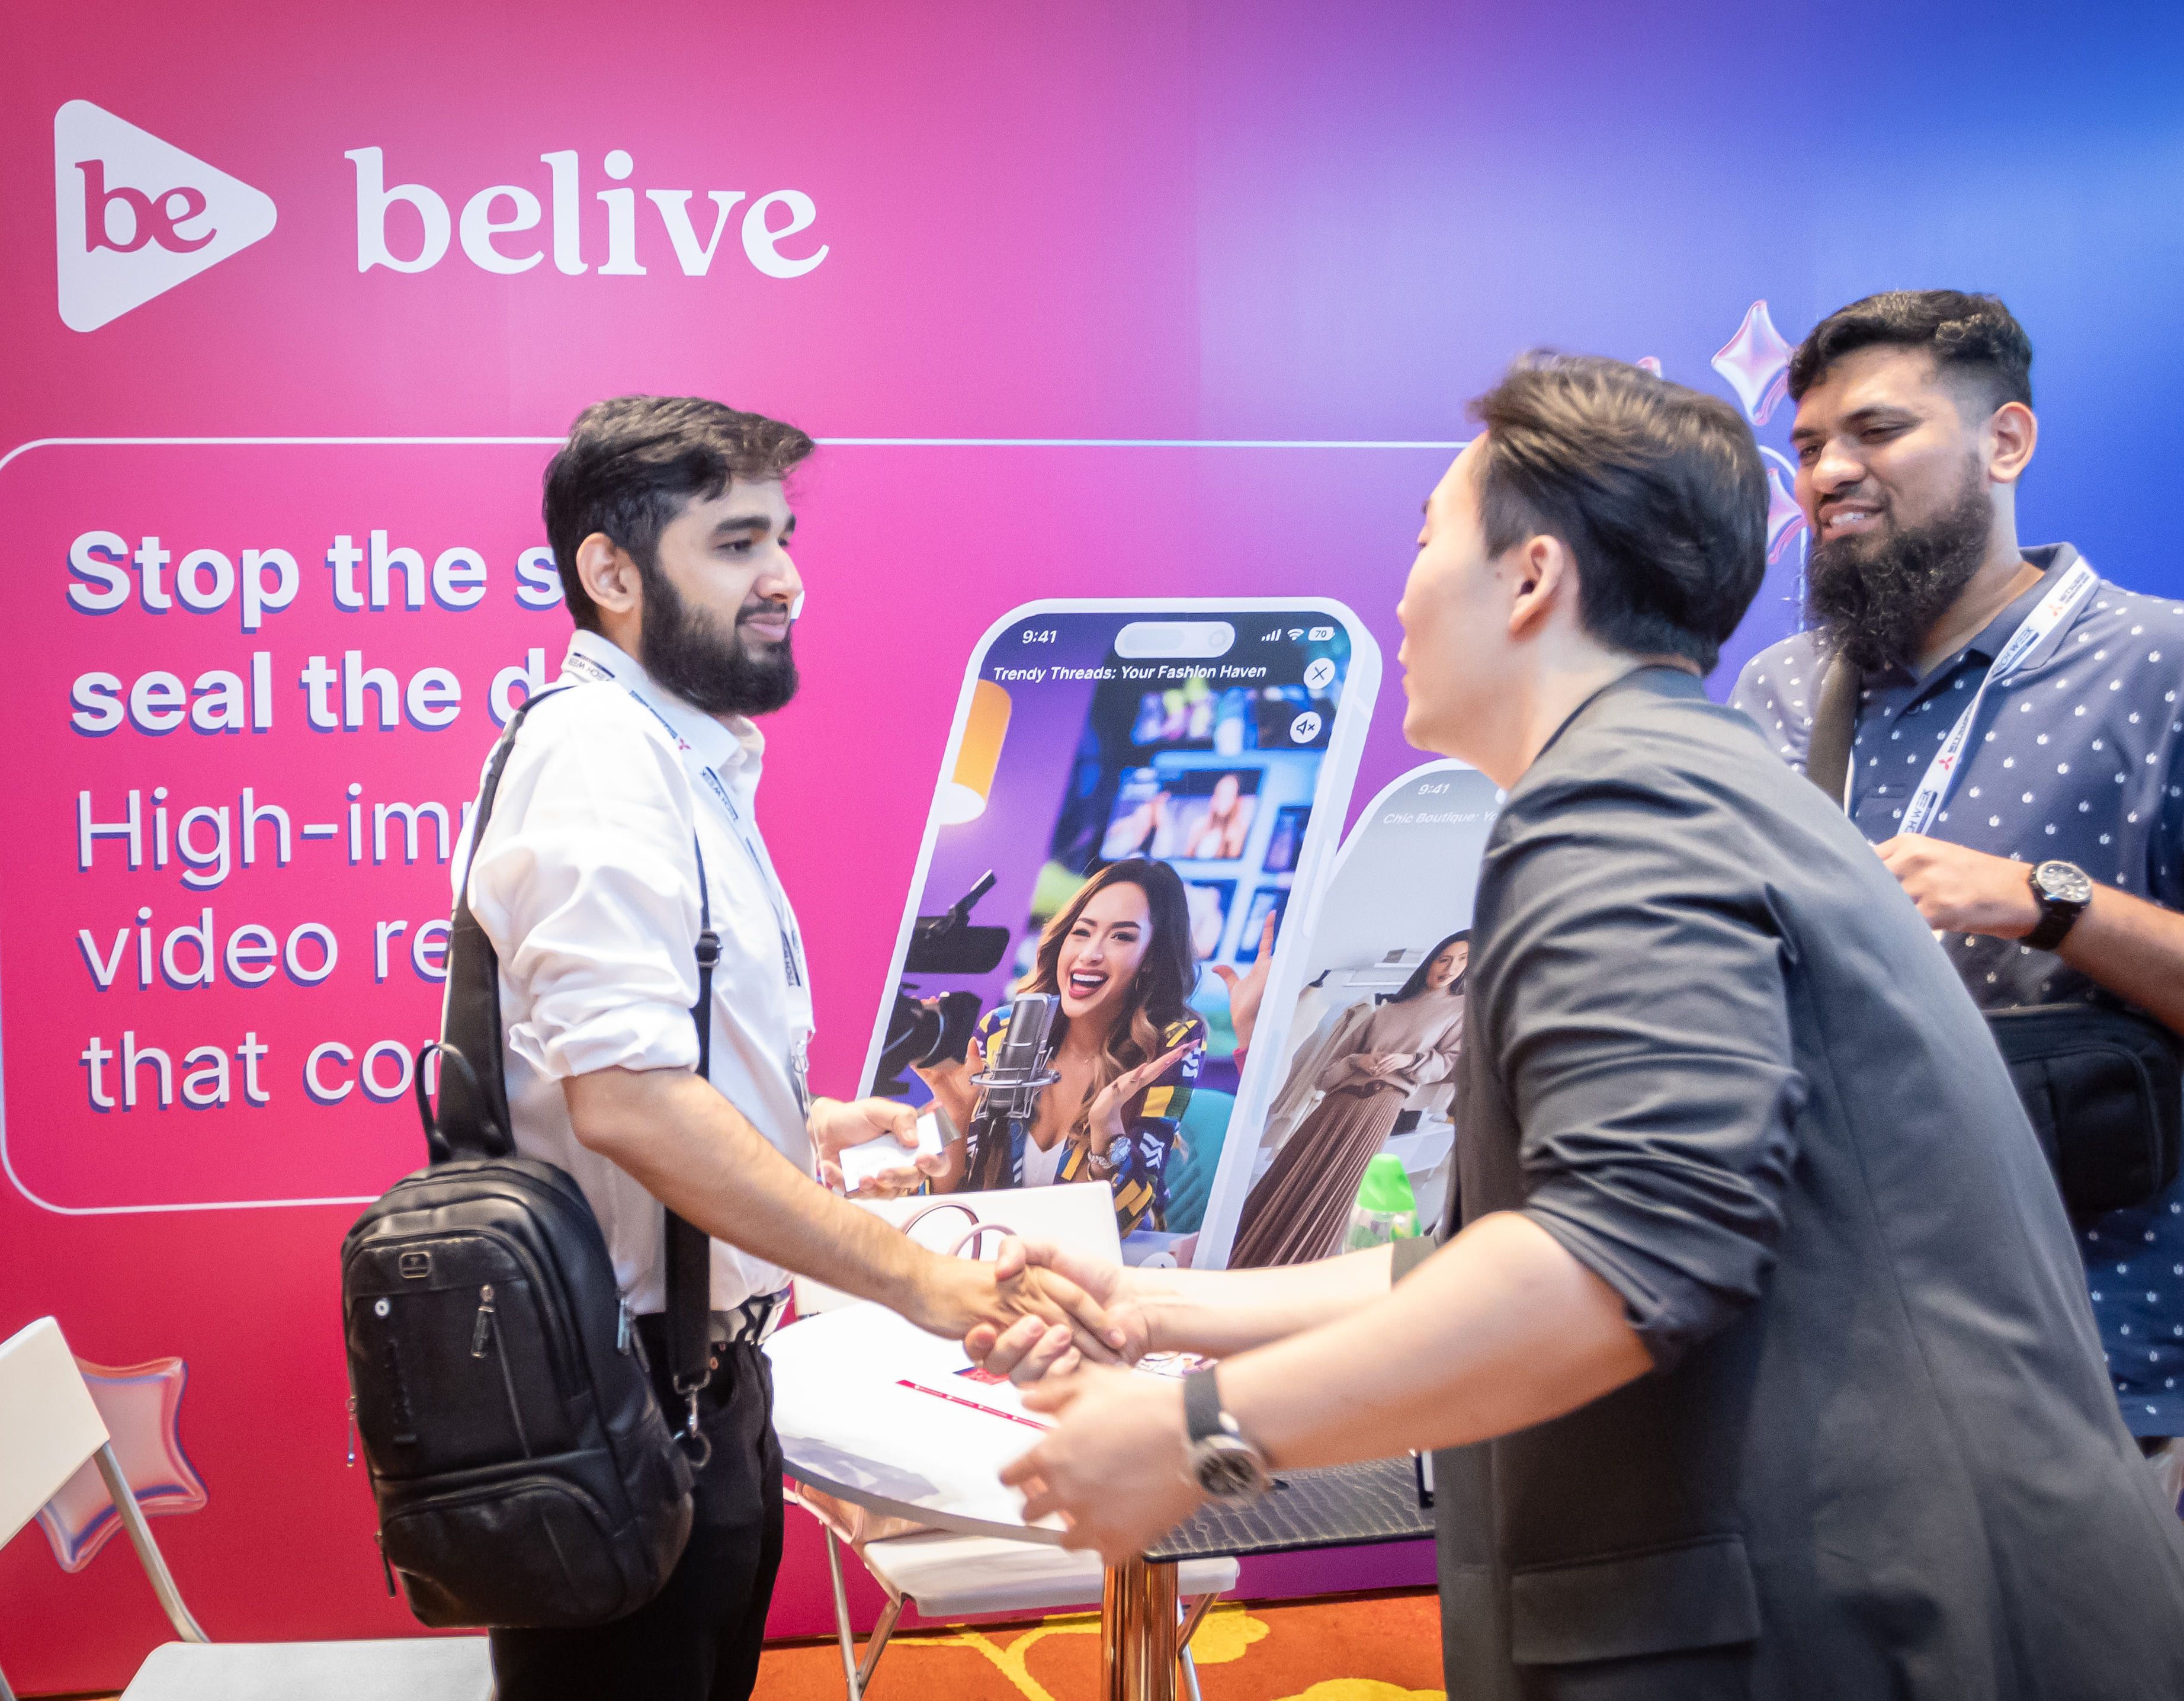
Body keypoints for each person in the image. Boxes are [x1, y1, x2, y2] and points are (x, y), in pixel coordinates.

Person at [969, 354, 2184, 1699]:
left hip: (1902, 1632)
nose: (1399, 595)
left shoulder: (1619, 812)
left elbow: (1616, 1259)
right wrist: (1154, 1307)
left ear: (1528, 579)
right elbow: (1523, 1245)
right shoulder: (1683, 775)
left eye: (1423, 544)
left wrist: (1198, 1432)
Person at [466, 395, 1112, 1701]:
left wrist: (792, 1124)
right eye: (736, 543)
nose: (784, 580)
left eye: (781, 538)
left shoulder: (672, 756)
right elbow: (628, 1104)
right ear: (611, 573)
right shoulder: (598, 757)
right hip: (623, 1399)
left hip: (694, 1384)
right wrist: (914, 1277)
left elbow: (632, 1069)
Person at [1726, 291, 2184, 1502]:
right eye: (1810, 444)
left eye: (1876, 431)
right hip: (1814, 1339)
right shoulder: (1779, 691)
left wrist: (2046, 901)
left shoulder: (2177, 669)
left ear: (2005, 441)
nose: (1828, 472)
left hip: (2077, 1353)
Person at [915, 859, 1205, 1236]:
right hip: (993, 1254)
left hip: (1102, 1263)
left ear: (1151, 959)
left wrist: (1106, 1131)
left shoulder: (1166, 1046)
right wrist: (957, 1111)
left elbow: (1119, 1223)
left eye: (1122, 937)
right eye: (1082, 932)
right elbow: (941, 1204)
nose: (1090, 953)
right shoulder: (1003, 1031)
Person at [1229, 930, 1467, 1266]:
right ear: (1431, 961)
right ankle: (1244, 1253)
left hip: (1381, 1106)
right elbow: (1327, 1073)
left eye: (1462, 961)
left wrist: (1408, 1060)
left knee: (1336, 1187)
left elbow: (1451, 1064)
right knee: (1293, 1172)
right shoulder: (1387, 1009)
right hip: (1337, 1102)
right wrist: (1359, 1061)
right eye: (1444, 959)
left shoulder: (1460, 1010)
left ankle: (1293, 1266)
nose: (1450, 968)